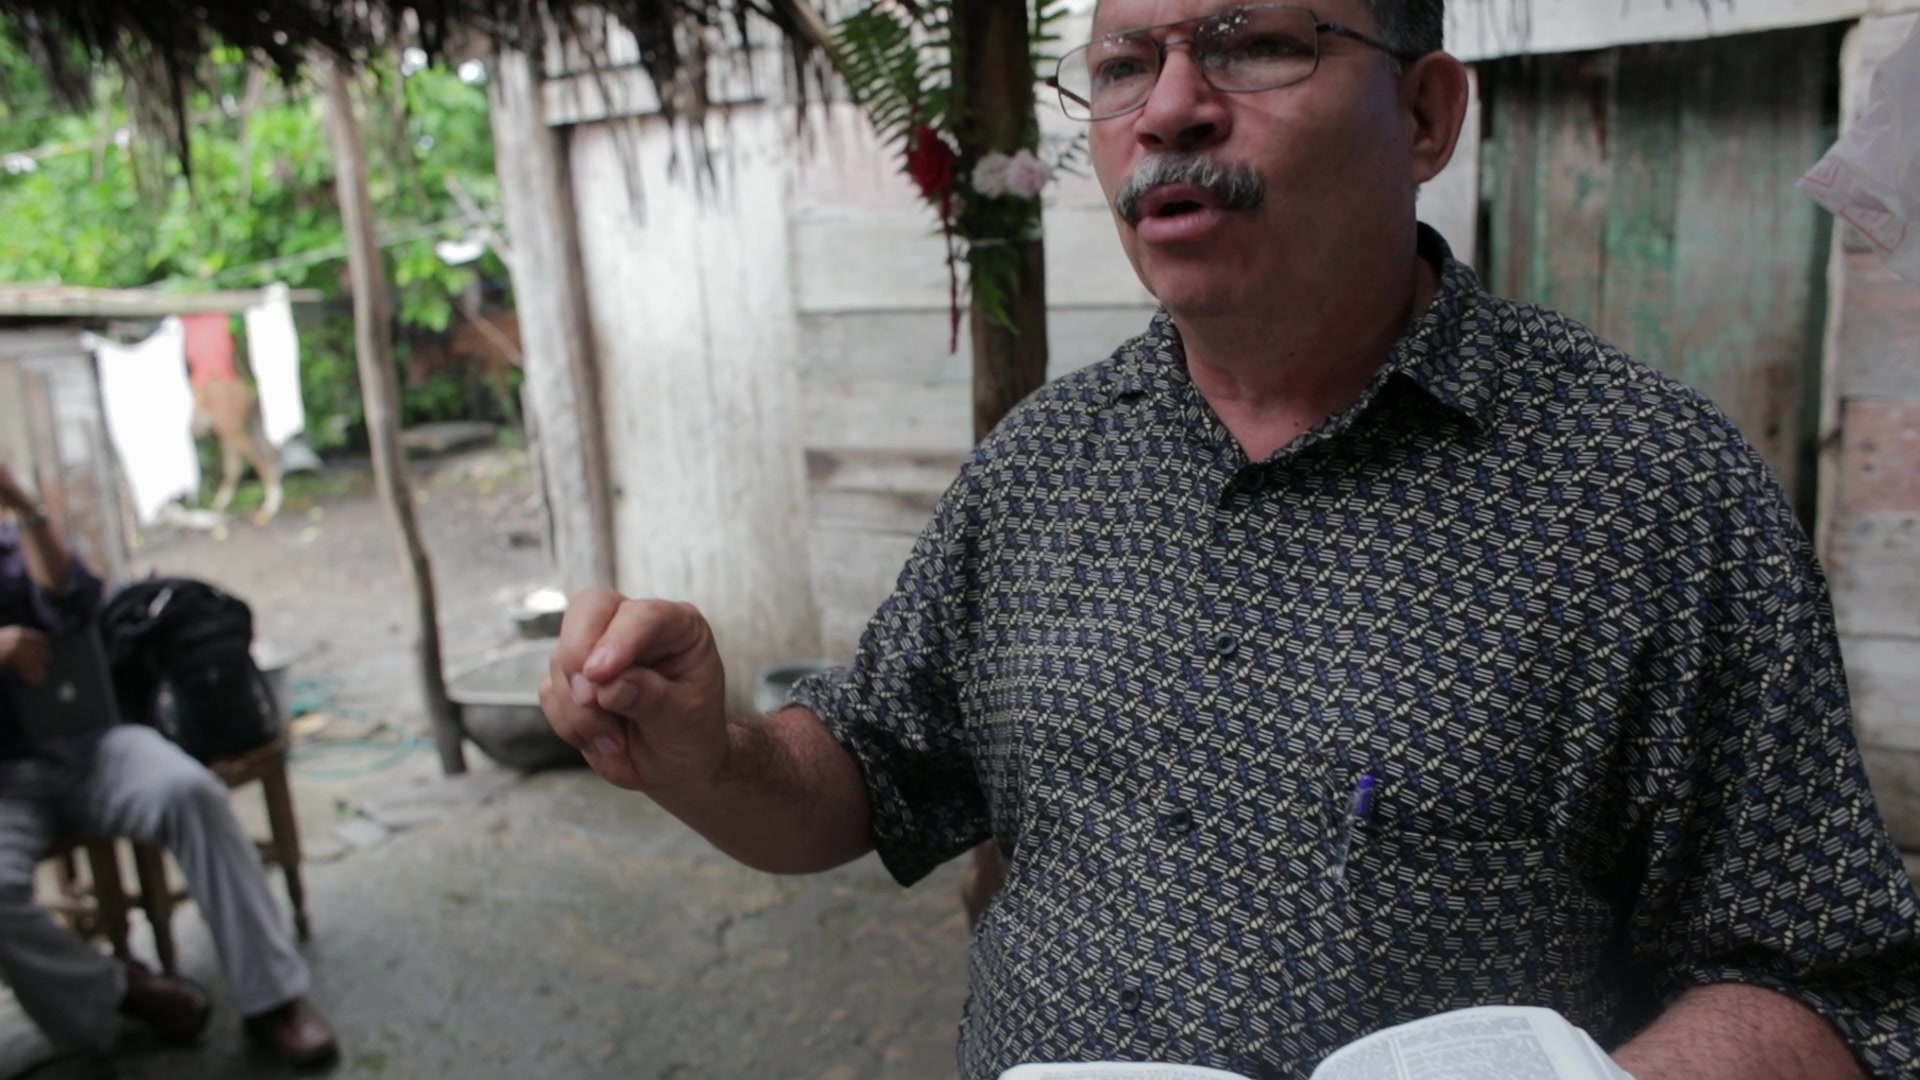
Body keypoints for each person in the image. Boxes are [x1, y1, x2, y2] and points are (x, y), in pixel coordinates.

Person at [540, 1, 1920, 1077]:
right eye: (1126, 65)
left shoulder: (1654, 498)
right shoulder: (1040, 468)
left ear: (1428, 113)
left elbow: (1831, 986)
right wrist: (707, 754)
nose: (1172, 111)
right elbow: (865, 774)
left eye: (1256, 43)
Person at [0, 464, 338, 1067]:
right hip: (6, 789)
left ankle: (274, 1000)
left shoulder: (11, 546)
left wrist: (21, 502)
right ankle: (118, 991)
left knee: (191, 792)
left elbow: (74, 598)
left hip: (88, 745)